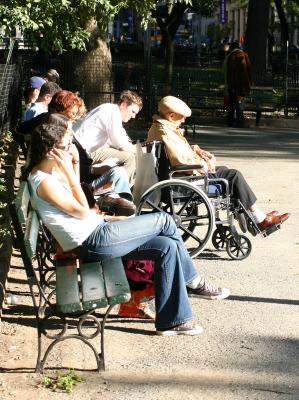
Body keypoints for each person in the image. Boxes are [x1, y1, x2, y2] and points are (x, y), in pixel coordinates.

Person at [24, 122, 230, 335]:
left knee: (167, 246)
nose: (70, 151)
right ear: (51, 151)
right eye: (66, 147)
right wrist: (69, 172)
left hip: (97, 233)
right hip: (93, 241)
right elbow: (83, 211)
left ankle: (172, 321)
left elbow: (83, 211)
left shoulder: (49, 173)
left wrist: (73, 167)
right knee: (165, 221)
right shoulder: (44, 182)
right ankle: (193, 281)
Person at [147, 96, 290, 232]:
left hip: (177, 176)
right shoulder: (165, 132)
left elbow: (177, 152)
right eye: (182, 116)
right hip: (184, 178)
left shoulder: (160, 128)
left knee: (226, 171)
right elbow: (181, 160)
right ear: (171, 116)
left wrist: (196, 150)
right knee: (234, 176)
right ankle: (259, 219)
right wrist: (205, 164)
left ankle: (252, 215)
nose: (184, 120)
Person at [73, 90, 143, 185]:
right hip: (82, 151)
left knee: (121, 154)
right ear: (123, 105)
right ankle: (118, 193)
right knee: (129, 158)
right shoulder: (113, 112)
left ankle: (108, 185)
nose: (134, 116)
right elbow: (121, 144)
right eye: (133, 111)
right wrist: (140, 150)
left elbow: (119, 138)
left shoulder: (109, 108)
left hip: (79, 148)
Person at [224, 41, 252, 128]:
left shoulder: (229, 57)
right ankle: (240, 123)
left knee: (232, 105)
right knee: (240, 105)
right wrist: (246, 86)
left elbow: (227, 72)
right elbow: (246, 72)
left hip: (231, 85)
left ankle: (230, 122)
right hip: (240, 86)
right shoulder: (242, 55)